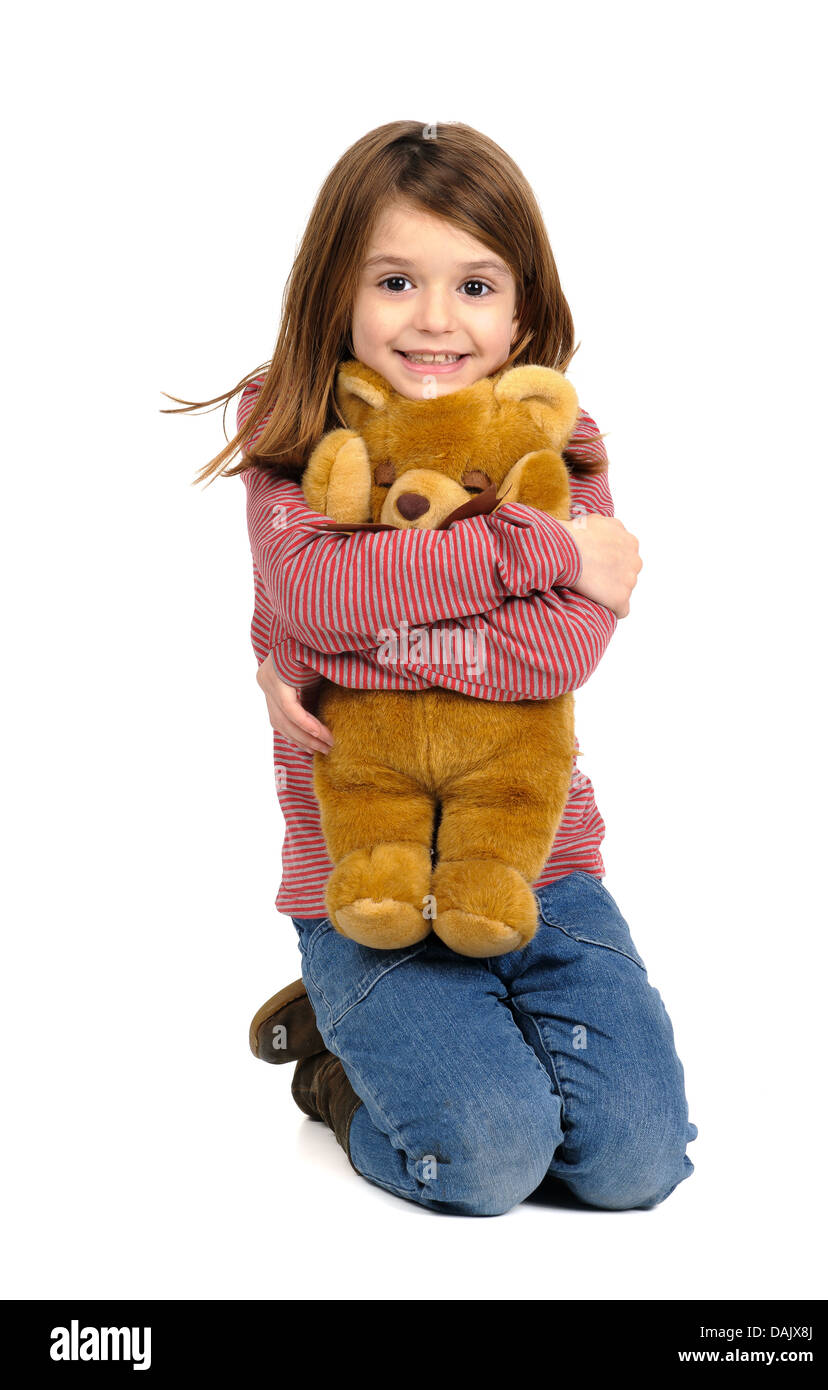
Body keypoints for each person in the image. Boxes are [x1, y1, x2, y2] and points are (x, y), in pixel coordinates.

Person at [175, 120, 697, 1216]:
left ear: (520, 310)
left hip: (544, 868)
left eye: (473, 283)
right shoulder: (297, 428)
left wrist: (359, 633)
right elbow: (315, 600)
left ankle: (462, 1049)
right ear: (338, 292)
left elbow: (560, 647)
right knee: (487, 1161)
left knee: (633, 1163)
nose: (433, 319)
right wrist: (545, 550)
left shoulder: (558, 435)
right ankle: (340, 1071)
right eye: (397, 279)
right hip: (365, 884)